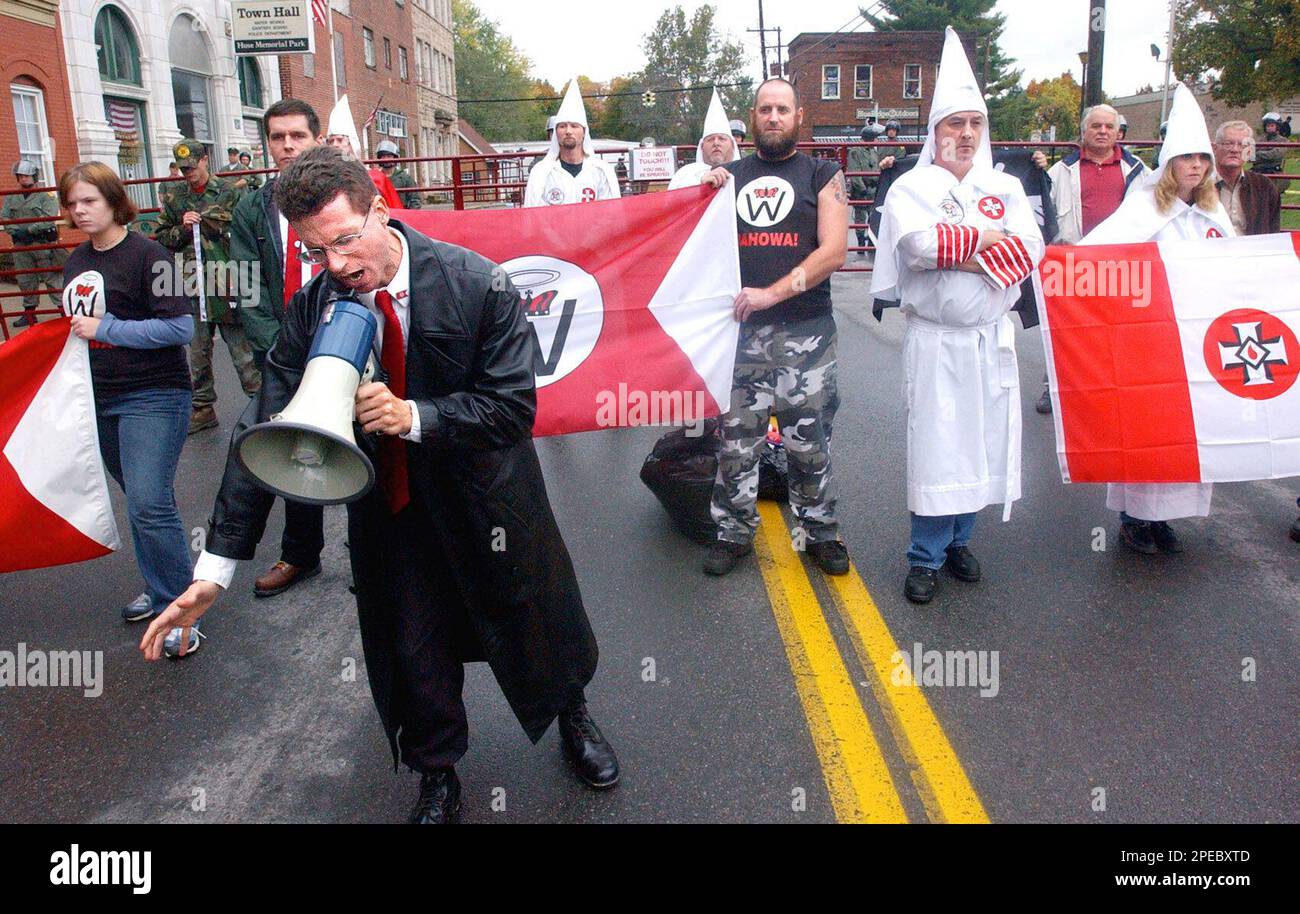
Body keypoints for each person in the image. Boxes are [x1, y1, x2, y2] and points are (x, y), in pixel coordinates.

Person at [141, 145, 621, 823]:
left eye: (344, 241)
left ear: (378, 209)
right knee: (412, 642)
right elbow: (264, 422)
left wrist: (415, 416)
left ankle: (573, 717)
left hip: (488, 496)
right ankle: (437, 773)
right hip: (391, 506)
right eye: (316, 252)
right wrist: (214, 569)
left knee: (533, 618)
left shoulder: (476, 284)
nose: (337, 266)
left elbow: (513, 408)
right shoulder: (313, 309)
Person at [870, 27, 1044, 606]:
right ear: (936, 132)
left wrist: (967, 250)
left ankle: (961, 541)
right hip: (938, 342)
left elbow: (1031, 250)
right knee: (939, 446)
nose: (965, 134)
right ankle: (924, 555)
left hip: (989, 341)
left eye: (974, 123)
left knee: (984, 442)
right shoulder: (910, 186)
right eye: (953, 124)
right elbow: (917, 247)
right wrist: (988, 242)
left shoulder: (1006, 185)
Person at [698, 77, 850, 577]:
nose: (773, 117)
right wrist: (707, 190)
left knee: (809, 441)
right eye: (765, 109)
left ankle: (820, 531)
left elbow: (833, 252)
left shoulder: (823, 174)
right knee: (737, 441)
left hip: (806, 332)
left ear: (798, 115)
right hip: (739, 336)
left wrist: (772, 293)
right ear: (754, 114)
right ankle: (733, 532)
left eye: (783, 108)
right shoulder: (730, 176)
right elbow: (688, 235)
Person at [1080, 83, 1236, 556]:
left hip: (1198, 344)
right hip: (1149, 343)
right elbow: (1095, 257)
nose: (1197, 167)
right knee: (1147, 430)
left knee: (1187, 434)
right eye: (1188, 158)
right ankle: (1134, 518)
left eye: (1203, 159)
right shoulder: (1145, 208)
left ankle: (1165, 517)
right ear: (1170, 162)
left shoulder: (1212, 213)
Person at [59, 162, 199, 658]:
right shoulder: (76, 261)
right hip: (98, 399)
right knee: (142, 502)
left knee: (147, 501)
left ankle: (178, 610)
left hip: (154, 394)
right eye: (72, 203)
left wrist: (108, 329)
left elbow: (179, 329)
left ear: (115, 201)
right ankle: (163, 586)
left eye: (89, 201)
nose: (79, 210)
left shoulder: (149, 254)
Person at [229, 98, 328, 600]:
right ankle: (300, 554)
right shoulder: (252, 207)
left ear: (317, 138)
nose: (287, 146)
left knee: (373, 441)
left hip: (352, 343)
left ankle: (377, 556)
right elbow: (247, 289)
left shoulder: (346, 192)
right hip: (286, 351)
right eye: (277, 137)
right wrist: (284, 353)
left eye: (297, 136)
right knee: (296, 447)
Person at [1036, 104, 1147, 414]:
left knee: (1117, 330)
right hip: (1073, 262)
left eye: (1108, 127)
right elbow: (1043, 213)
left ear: (1118, 132)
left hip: (1121, 264)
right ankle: (1053, 387)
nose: (1102, 131)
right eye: (1095, 126)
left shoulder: (1139, 171)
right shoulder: (1060, 171)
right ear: (1083, 132)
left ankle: (1112, 387)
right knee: (1063, 329)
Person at [153, 138, 261, 434]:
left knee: (242, 349)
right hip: (191, 277)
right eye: (182, 168)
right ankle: (203, 408)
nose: (188, 173)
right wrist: (183, 229)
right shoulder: (174, 197)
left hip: (227, 276)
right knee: (197, 349)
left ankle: (261, 405)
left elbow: (248, 232)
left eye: (192, 167)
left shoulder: (230, 191)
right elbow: (162, 237)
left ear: (204, 161)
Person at [523, 77, 620, 206]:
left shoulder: (602, 171)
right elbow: (533, 216)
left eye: (574, 126)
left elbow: (611, 215)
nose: (568, 131)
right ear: (555, 133)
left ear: (584, 132)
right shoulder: (541, 173)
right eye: (562, 126)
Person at [3, 160, 64, 328]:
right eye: (20, 176)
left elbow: (49, 217)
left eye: (26, 175)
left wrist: (30, 230)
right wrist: (15, 230)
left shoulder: (46, 195)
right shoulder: (11, 197)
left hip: (41, 242)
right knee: (25, 278)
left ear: (34, 176)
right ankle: (29, 313)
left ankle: (63, 310)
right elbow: (5, 216)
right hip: (21, 244)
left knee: (51, 278)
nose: (23, 179)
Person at [324, 95, 402, 210]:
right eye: (331, 141)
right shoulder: (323, 179)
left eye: (340, 140)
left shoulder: (376, 179)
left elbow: (395, 212)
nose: (335, 144)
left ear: (351, 144)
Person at [1214, 120, 1281, 236]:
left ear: (1249, 151)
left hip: (1253, 252)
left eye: (1242, 145)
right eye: (1228, 143)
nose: (1235, 149)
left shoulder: (1264, 187)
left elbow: (1273, 232)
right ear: (1214, 148)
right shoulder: (1199, 186)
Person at [667, 88, 739, 190]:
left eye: (722, 139)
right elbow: (673, 201)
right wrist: (701, 184)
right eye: (710, 139)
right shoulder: (685, 175)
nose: (716, 143)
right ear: (701, 146)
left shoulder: (745, 171)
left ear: (732, 145)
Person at [846, 122, 883, 256]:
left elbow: (876, 168)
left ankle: (870, 243)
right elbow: (854, 171)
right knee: (860, 220)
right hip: (862, 191)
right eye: (875, 138)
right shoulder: (856, 151)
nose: (877, 140)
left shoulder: (873, 151)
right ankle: (861, 244)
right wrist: (862, 188)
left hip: (873, 190)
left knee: (873, 218)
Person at [375, 139, 422, 208]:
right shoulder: (375, 178)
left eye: (389, 156)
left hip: (401, 214)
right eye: (383, 156)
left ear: (395, 158)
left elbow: (415, 200)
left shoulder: (405, 178)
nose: (386, 159)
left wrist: (408, 216)